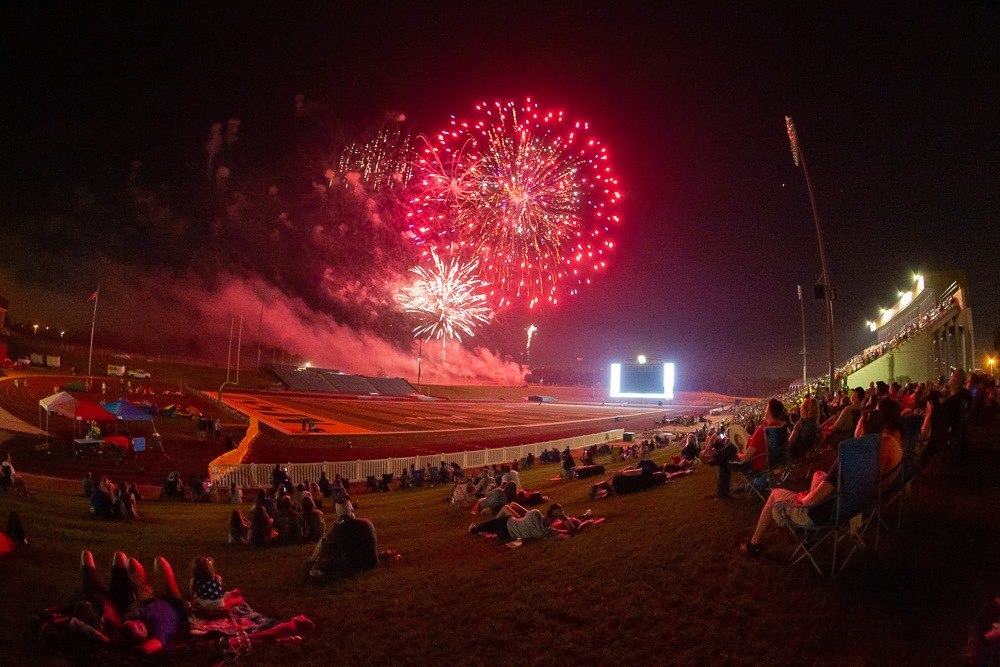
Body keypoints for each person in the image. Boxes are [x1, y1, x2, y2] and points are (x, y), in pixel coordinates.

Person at [740, 409, 886, 557]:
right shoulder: (872, 450)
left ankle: (753, 544)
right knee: (819, 474)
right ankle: (808, 534)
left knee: (775, 494)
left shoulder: (848, 454)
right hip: (852, 504)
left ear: (861, 429)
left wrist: (803, 498)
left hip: (826, 514)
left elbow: (813, 500)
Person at [710, 398, 786, 499]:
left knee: (725, 461)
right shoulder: (781, 427)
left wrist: (739, 454)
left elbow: (746, 458)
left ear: (770, 413)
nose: (765, 410)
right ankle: (717, 458)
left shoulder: (762, 430)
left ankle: (722, 493)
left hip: (757, 465)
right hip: (773, 463)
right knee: (732, 446)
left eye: (767, 408)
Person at [309, 500, 378, 577]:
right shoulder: (367, 522)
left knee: (324, 541)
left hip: (352, 566)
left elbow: (328, 541)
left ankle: (314, 560)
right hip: (372, 562)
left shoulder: (337, 529)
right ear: (351, 509)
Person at [469, 503, 572, 543]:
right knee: (487, 528)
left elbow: (570, 531)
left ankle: (476, 529)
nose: (554, 518)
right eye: (555, 515)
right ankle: (476, 529)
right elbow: (568, 532)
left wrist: (565, 518)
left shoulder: (548, 530)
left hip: (506, 528)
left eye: (558, 517)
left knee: (487, 528)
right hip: (506, 528)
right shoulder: (538, 518)